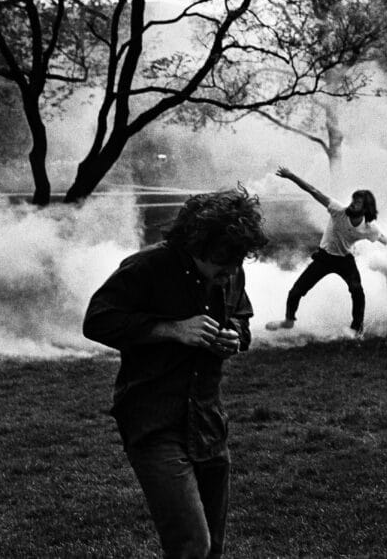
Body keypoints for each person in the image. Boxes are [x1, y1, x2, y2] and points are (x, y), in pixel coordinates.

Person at [83, 187, 268, 559]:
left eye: (237, 261)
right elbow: (98, 321)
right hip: (153, 422)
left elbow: (243, 316)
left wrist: (235, 336)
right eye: (223, 260)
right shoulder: (147, 267)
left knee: (212, 547)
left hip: (208, 421)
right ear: (196, 243)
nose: (231, 270)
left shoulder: (231, 268)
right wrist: (172, 329)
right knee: (191, 544)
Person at [271, 166, 387, 336]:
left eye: (357, 203)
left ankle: (357, 328)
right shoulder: (338, 210)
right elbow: (313, 191)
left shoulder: (369, 227)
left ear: (365, 209)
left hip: (345, 261)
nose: (352, 204)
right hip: (324, 259)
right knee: (296, 291)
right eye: (353, 200)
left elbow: (384, 239)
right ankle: (289, 320)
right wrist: (291, 176)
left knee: (357, 291)